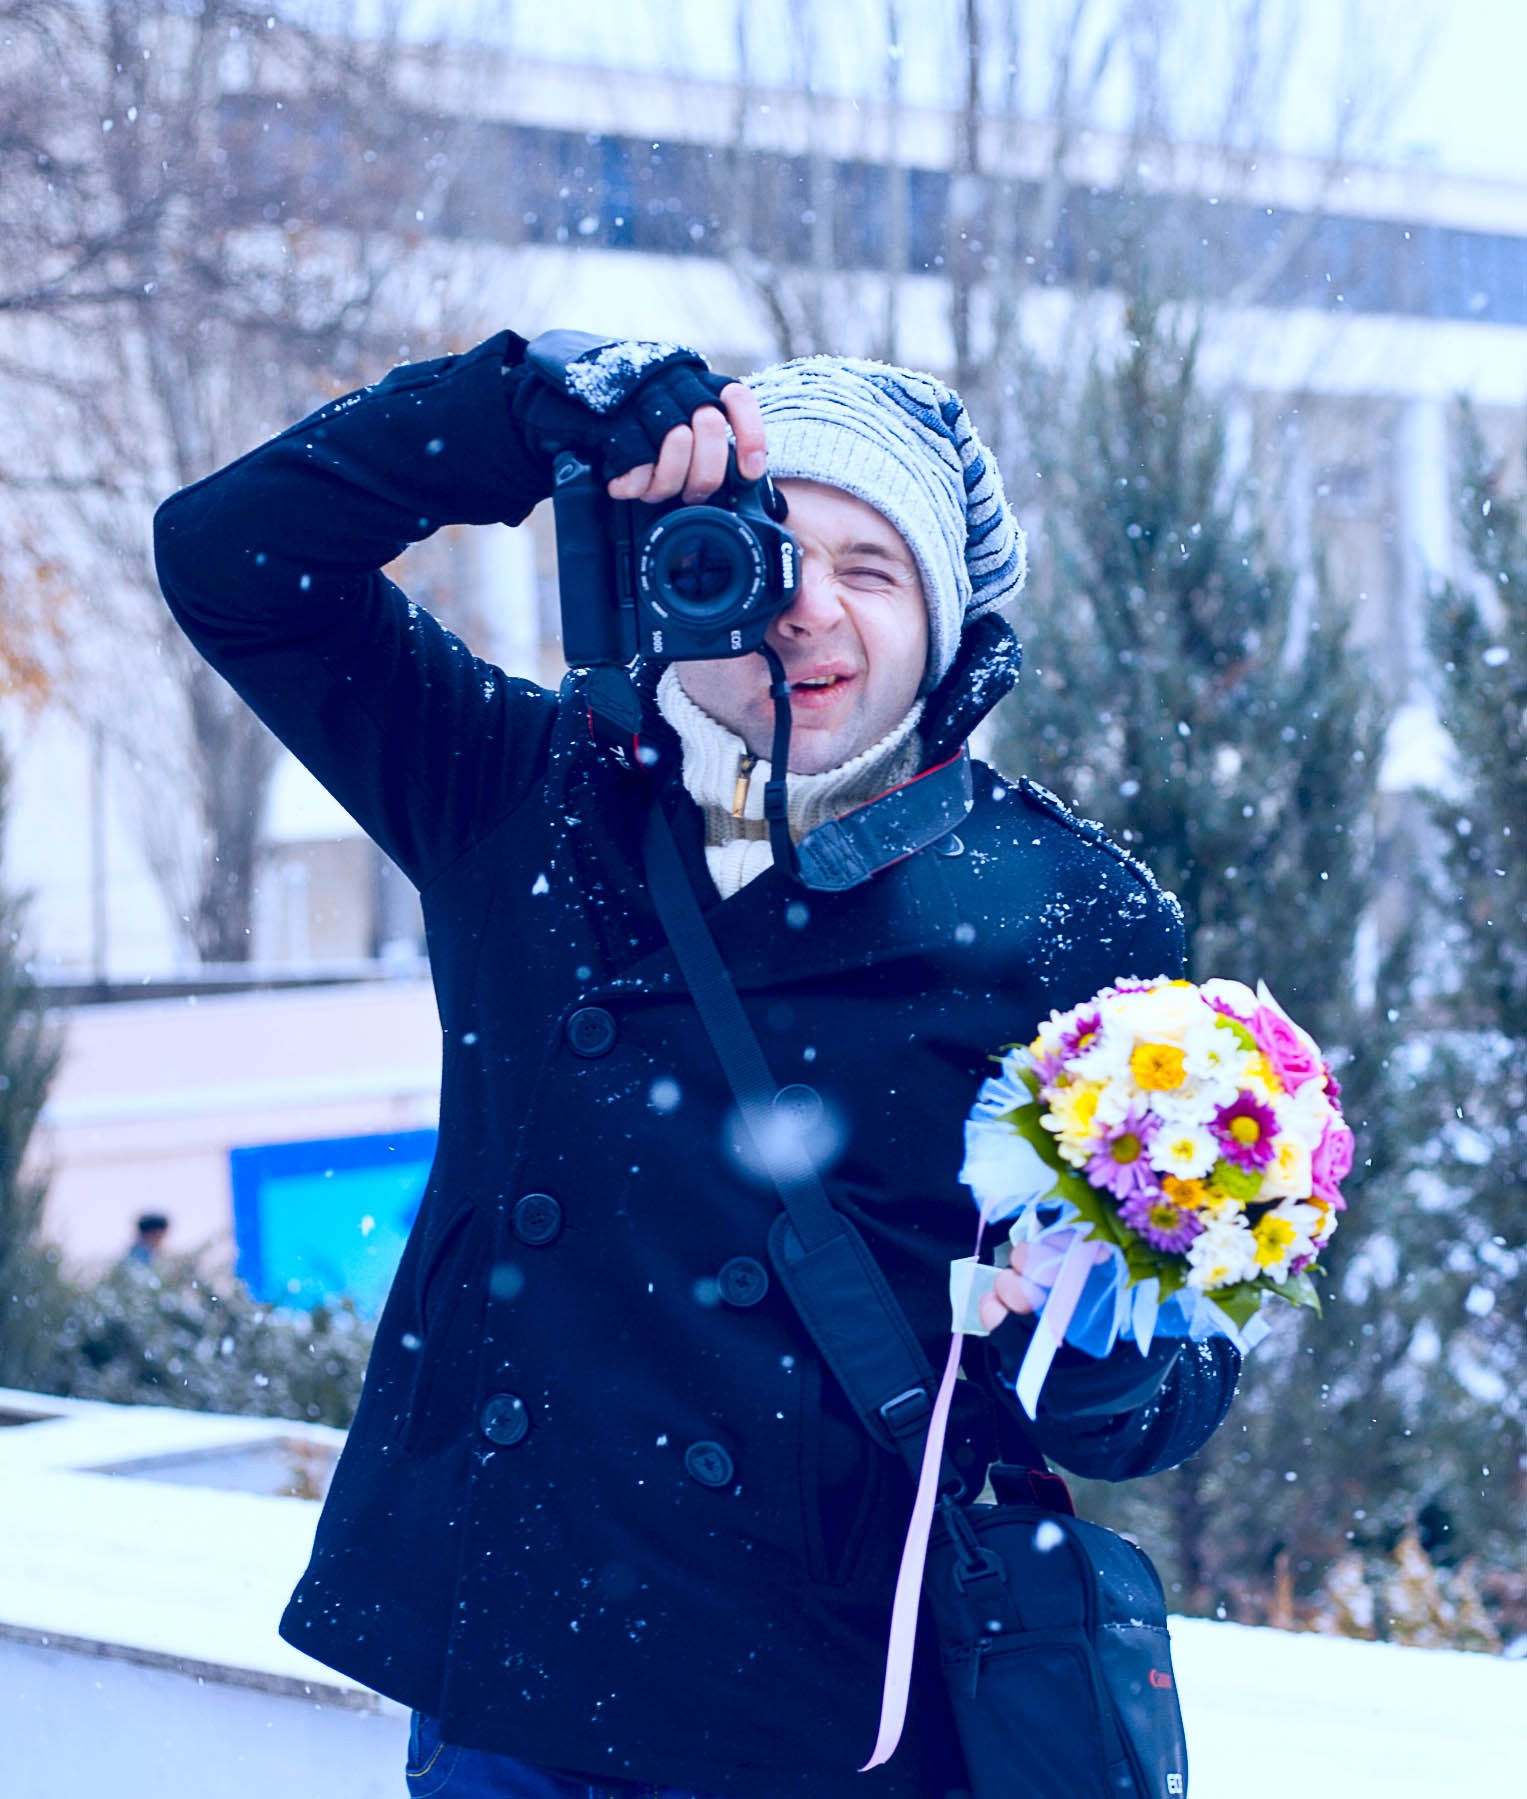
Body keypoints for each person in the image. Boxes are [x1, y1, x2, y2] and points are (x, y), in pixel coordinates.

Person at [154, 330, 1240, 1799]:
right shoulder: (516, 795)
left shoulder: (1068, 913)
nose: (810, 606)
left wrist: (1099, 1337)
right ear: (678, 574)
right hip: (517, 1693)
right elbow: (229, 559)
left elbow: (1169, 1394)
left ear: (946, 619)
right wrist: (525, 407)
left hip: (831, 1717)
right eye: (766, 546)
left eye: (872, 568)